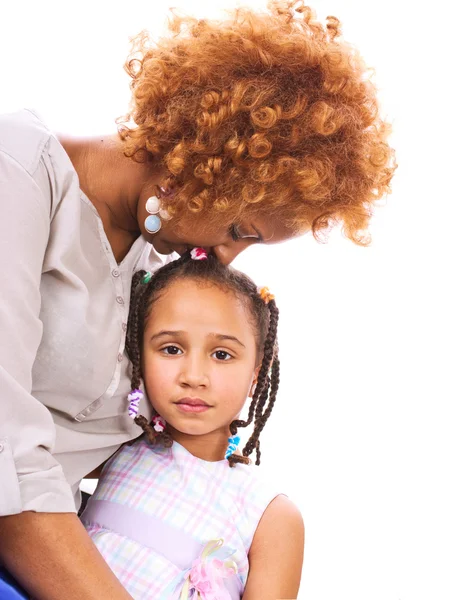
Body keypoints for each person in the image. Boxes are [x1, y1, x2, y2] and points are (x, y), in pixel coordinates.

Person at [0, 2, 395, 598]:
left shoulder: (157, 274)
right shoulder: (19, 173)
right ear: (211, 165)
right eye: (241, 231)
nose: (227, 258)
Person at [80, 248, 304, 600]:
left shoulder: (270, 516)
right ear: (139, 353)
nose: (193, 376)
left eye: (221, 354)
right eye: (171, 349)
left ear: (257, 372)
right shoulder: (113, 452)